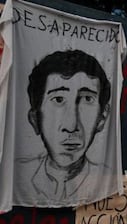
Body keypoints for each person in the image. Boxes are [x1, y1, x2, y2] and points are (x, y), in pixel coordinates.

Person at [21, 49, 111, 201]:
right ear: (35, 118)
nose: (71, 126)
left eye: (87, 99)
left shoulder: (109, 179)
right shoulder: (17, 174)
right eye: (58, 100)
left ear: (101, 118)